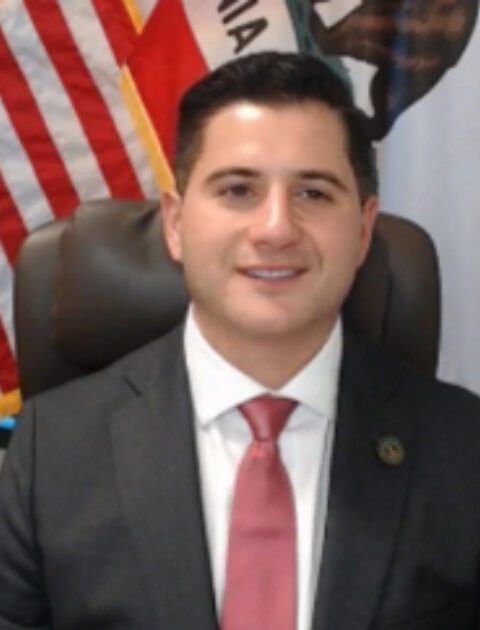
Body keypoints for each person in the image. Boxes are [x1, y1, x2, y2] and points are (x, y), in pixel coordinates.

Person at [0, 52, 479, 630]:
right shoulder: (51, 456)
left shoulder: (463, 451)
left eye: (313, 194)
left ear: (362, 230)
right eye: (237, 190)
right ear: (175, 224)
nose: (276, 229)